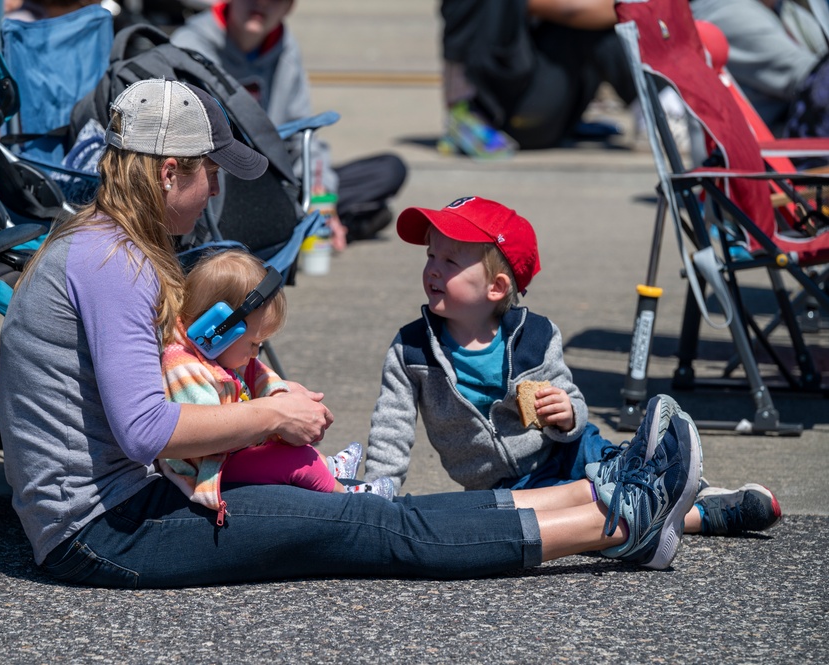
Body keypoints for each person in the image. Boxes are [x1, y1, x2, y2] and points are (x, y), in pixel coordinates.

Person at [0, 77, 704, 589]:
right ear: (168, 169)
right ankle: (619, 521)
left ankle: (598, 491)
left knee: (373, 513)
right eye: (208, 173)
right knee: (373, 528)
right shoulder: (113, 261)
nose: (214, 190)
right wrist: (272, 413)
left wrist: (253, 392)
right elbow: (146, 430)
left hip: (117, 509)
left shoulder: (95, 242)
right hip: (104, 531)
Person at [363, 196, 782, 538]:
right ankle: (703, 515)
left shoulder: (536, 337)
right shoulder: (412, 349)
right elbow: (391, 426)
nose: (433, 269)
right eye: (431, 255)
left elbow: (573, 402)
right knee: (578, 523)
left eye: (449, 262)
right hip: (500, 486)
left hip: (568, 453)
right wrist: (378, 493)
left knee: (619, 477)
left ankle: (692, 490)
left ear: (497, 287)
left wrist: (565, 414)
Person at [159, 249, 394, 512]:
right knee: (291, 461)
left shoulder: (221, 354)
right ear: (218, 329)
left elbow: (261, 375)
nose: (255, 353)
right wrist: (271, 423)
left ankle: (327, 468)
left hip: (232, 453)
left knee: (294, 447)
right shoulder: (183, 367)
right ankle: (350, 498)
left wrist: (281, 396)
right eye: (253, 343)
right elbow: (209, 432)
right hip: (209, 468)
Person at [169, 0, 408, 249]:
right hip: (219, 183)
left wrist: (321, 195)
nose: (261, 4)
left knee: (390, 169)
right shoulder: (189, 46)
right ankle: (309, 226)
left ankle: (310, 223)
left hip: (277, 178)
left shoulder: (285, 47)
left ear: (289, 8)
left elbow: (303, 133)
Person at [438, 0, 637, 157]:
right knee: (595, 23)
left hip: (517, 109)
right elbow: (575, 9)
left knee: (600, 17)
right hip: (510, 122)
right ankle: (658, 110)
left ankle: (656, 106)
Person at [690, 0, 829, 139]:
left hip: (798, 139)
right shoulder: (725, 13)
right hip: (771, 150)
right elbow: (811, 80)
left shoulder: (784, 8)